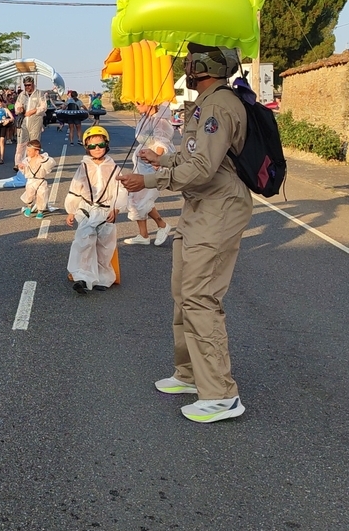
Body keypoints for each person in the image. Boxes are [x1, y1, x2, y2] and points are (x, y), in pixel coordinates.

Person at [118, 43, 253, 424]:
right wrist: (161, 159)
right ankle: (190, 374)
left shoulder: (219, 106)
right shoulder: (205, 104)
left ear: (204, 67)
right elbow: (194, 156)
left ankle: (221, 395)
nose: (186, 66)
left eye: (192, 61)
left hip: (219, 208)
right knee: (183, 292)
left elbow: (204, 168)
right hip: (201, 207)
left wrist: (149, 179)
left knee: (200, 296)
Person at [65, 125, 127, 295]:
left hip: (107, 212)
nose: (97, 149)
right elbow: (75, 188)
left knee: (105, 246)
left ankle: (104, 278)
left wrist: (117, 208)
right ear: (87, 148)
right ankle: (82, 277)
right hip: (86, 210)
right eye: (92, 146)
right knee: (83, 242)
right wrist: (71, 210)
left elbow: (120, 190)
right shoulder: (83, 167)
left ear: (106, 145)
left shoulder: (114, 168)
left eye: (100, 145)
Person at [124, 102, 175, 246]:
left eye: (140, 102)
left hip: (151, 166)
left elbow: (161, 143)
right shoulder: (146, 117)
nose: (136, 104)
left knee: (141, 199)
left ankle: (162, 225)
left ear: (151, 101)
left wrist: (156, 161)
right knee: (136, 197)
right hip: (142, 163)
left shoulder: (160, 121)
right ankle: (143, 234)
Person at [14, 75, 47, 169]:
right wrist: (19, 108)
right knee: (21, 144)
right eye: (25, 85)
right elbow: (17, 105)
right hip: (24, 122)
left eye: (29, 85)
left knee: (34, 144)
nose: (27, 87)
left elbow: (43, 107)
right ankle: (18, 164)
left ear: (33, 84)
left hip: (35, 121)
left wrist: (34, 111)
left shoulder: (40, 94)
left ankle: (33, 163)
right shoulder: (22, 95)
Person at [18, 138, 55, 219]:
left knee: (41, 195)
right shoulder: (27, 160)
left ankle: (40, 211)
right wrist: (21, 167)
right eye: (27, 151)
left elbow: (51, 164)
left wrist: (43, 159)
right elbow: (24, 169)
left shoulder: (43, 159)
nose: (27, 153)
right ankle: (29, 207)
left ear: (36, 151)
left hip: (41, 180)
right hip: (31, 180)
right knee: (29, 194)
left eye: (29, 151)